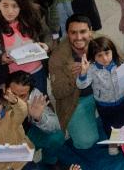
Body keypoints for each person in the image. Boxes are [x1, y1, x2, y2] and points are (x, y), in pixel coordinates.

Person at [0, 70, 63, 167]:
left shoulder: (34, 96)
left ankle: (50, 161)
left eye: (22, 96)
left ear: (30, 93)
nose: (15, 99)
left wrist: (39, 118)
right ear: (5, 88)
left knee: (57, 136)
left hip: (24, 136)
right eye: (12, 93)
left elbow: (56, 125)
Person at [0, 0, 51, 91]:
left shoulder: (33, 14)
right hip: (10, 77)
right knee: (15, 105)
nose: (10, 11)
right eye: (5, 6)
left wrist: (46, 45)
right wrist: (0, 58)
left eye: (15, 6)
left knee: (40, 102)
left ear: (21, 6)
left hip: (37, 71)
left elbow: (46, 34)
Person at [49, 15, 98, 149]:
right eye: (73, 33)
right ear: (67, 33)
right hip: (77, 100)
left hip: (103, 91)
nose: (78, 37)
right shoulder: (57, 57)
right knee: (85, 142)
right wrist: (74, 77)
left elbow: (121, 60)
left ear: (91, 31)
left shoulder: (99, 42)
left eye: (83, 32)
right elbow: (57, 93)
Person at [76, 36, 124, 155]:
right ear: (93, 57)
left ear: (112, 51)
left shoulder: (119, 63)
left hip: (122, 100)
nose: (105, 58)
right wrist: (83, 72)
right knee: (108, 125)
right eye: (99, 55)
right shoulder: (91, 69)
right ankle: (113, 143)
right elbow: (81, 85)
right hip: (104, 105)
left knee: (123, 121)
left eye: (107, 53)